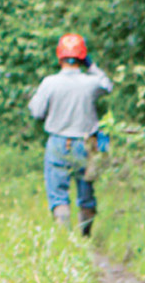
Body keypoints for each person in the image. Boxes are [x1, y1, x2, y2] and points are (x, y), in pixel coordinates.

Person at [27, 33, 113, 236]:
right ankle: (85, 237)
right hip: (85, 143)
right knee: (86, 192)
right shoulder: (90, 83)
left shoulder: (49, 83)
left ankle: (66, 240)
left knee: (58, 195)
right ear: (82, 57)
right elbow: (107, 85)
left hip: (57, 142)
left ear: (60, 56)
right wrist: (91, 66)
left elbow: (36, 112)